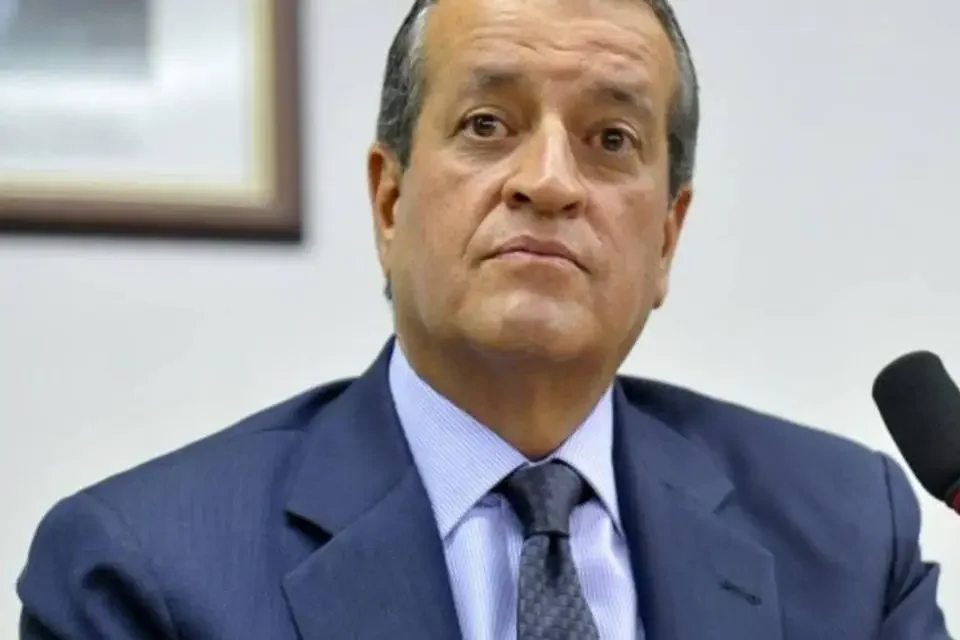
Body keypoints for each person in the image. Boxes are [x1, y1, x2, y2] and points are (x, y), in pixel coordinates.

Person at [16, 0, 951, 638]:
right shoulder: (145, 570)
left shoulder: (844, 535)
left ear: (668, 237)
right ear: (389, 203)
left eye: (611, 139)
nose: (548, 181)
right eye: (487, 126)